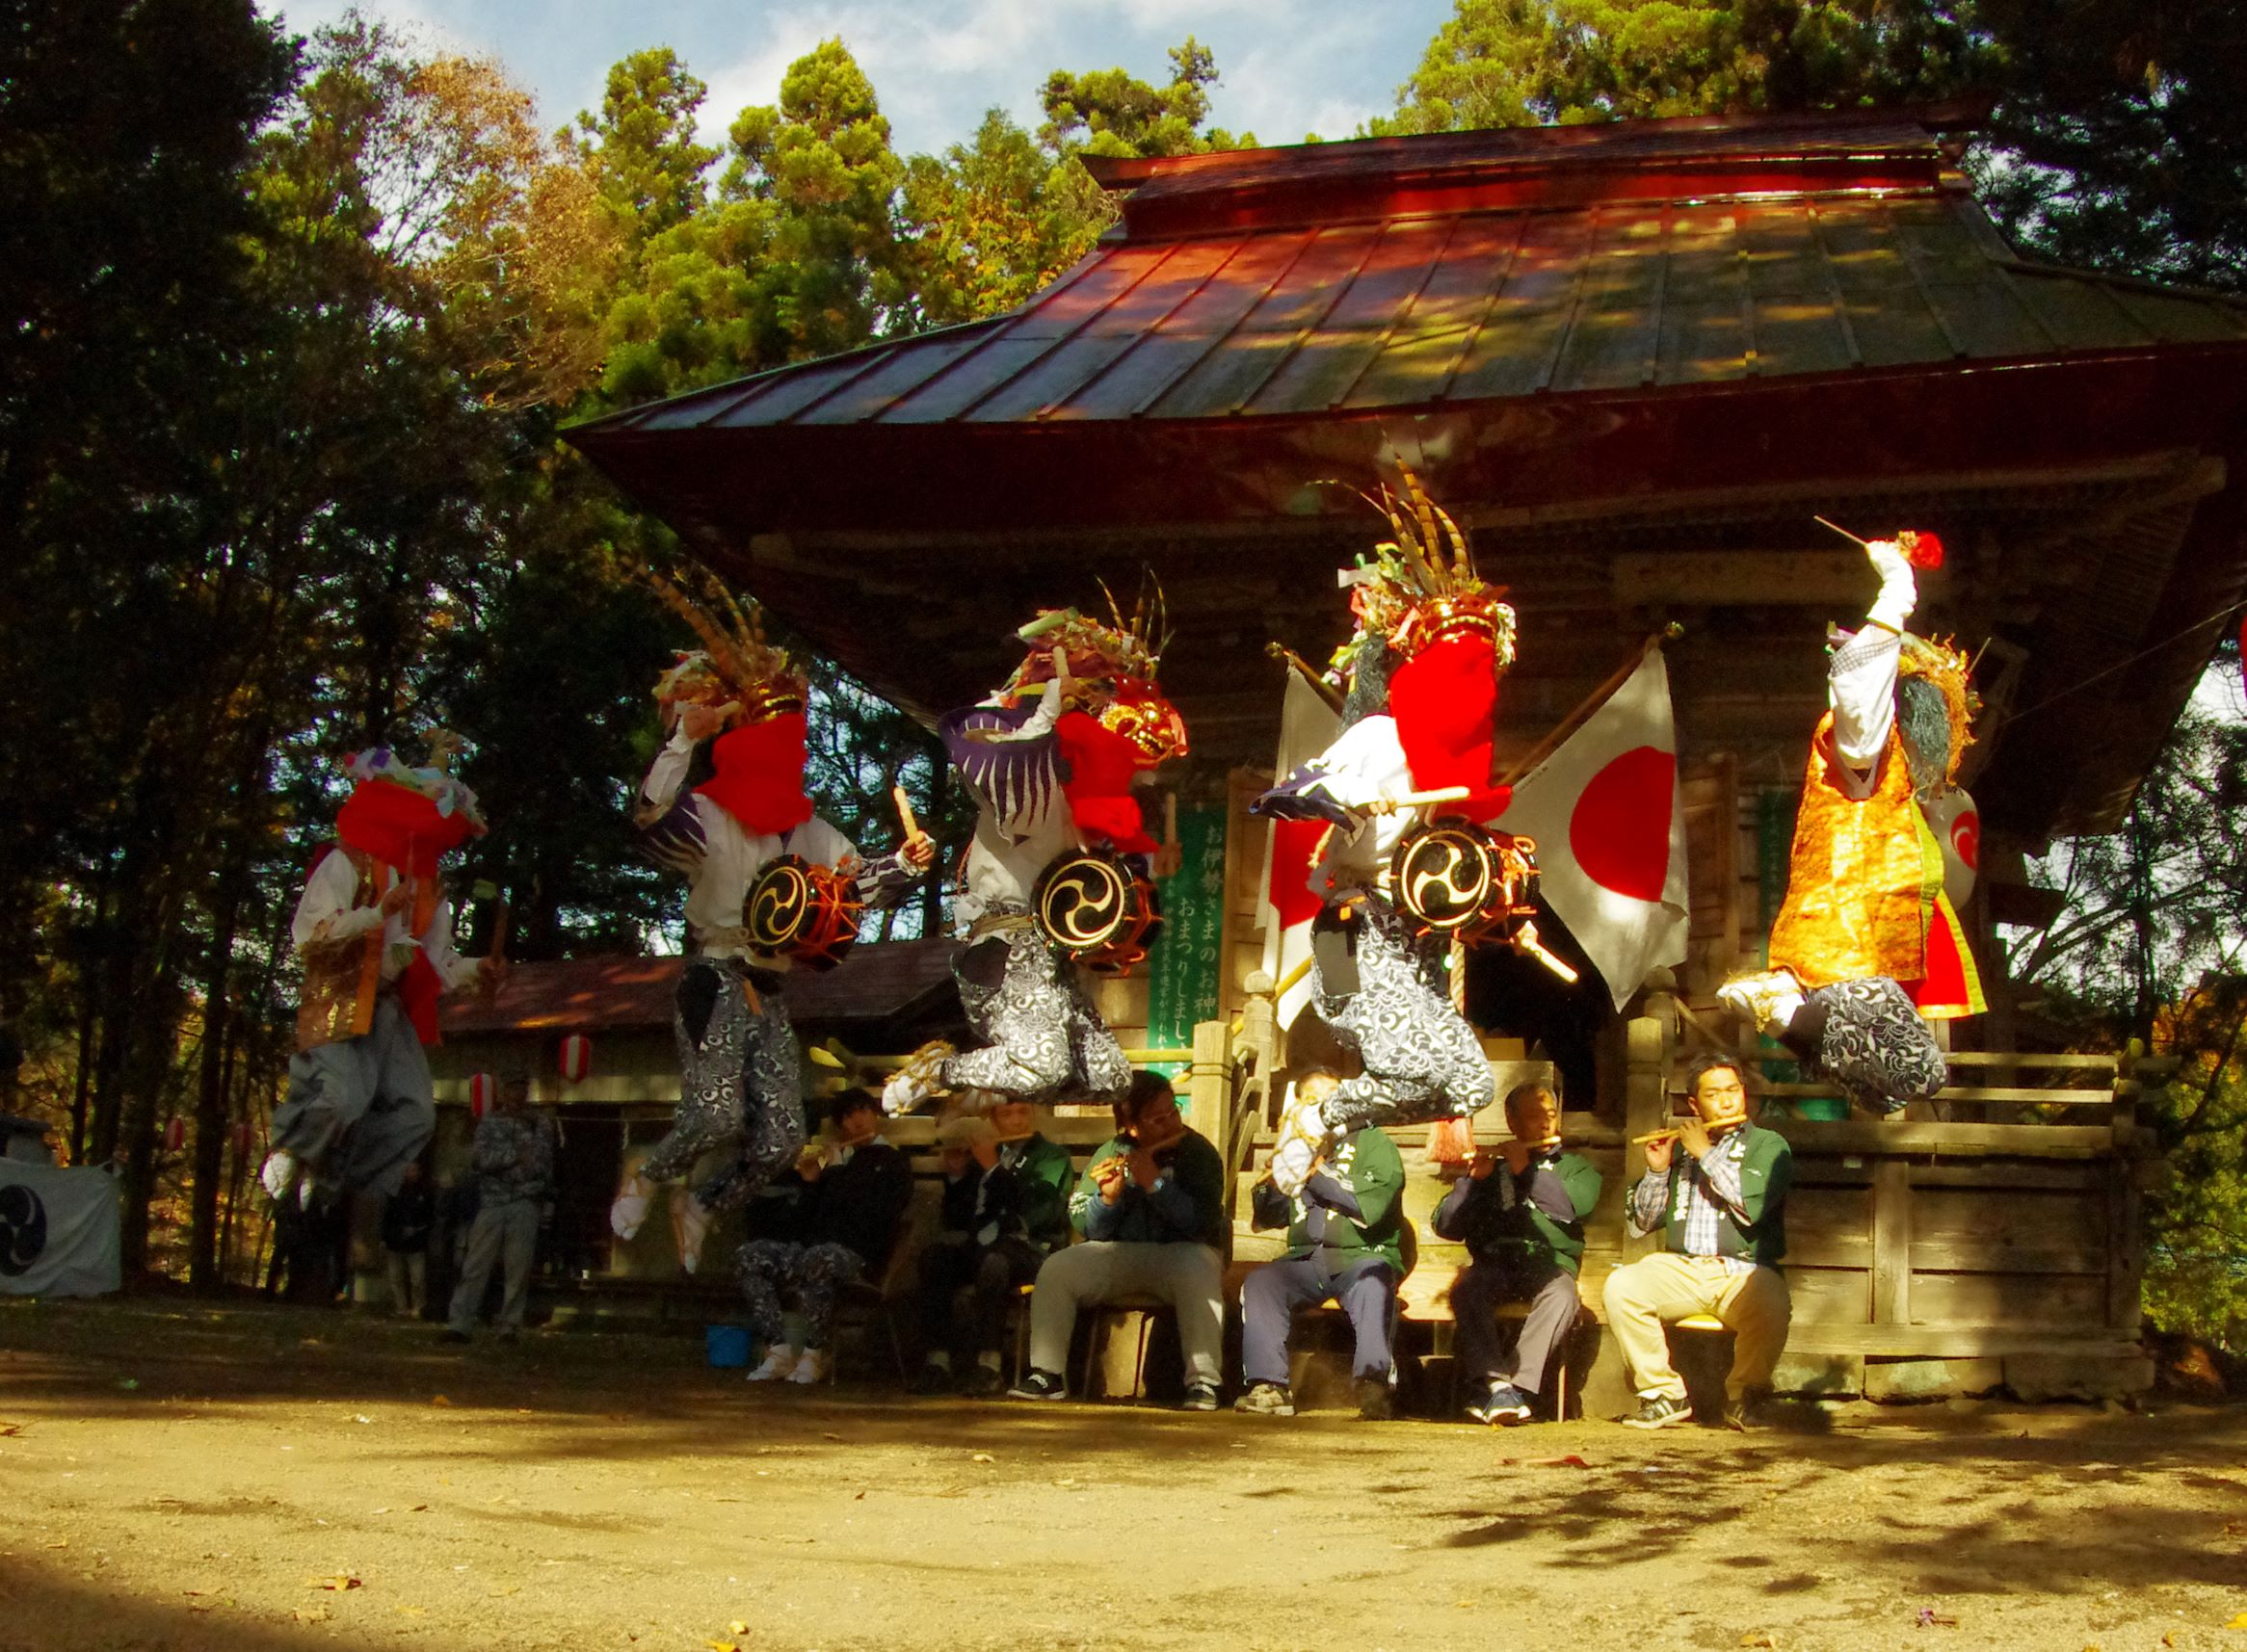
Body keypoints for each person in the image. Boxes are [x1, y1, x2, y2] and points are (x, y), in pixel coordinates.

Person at [613, 573, 932, 1273]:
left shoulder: (809, 830)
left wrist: (904, 864)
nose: (791, 753)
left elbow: (855, 886)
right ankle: (648, 1171)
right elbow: (649, 820)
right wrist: (681, 741)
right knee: (717, 1113)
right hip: (714, 975)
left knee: (785, 1135)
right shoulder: (707, 814)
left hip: (772, 989)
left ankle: (703, 1201)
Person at [1253, 470, 1550, 1196]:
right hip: (1348, 937)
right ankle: (1319, 1113)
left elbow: (1462, 874)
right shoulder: (1380, 737)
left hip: (1402, 943)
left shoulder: (1445, 780)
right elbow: (1297, 797)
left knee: (1469, 1083)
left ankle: (1327, 1115)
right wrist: (1351, 801)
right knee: (1416, 1070)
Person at [883, 598, 1185, 1117]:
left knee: (1110, 1079)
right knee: (1043, 1067)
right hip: (1005, 952)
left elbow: (1095, 880)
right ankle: (939, 1070)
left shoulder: (1076, 814)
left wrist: (1157, 865)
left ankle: (1006, 1072)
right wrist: (1047, 708)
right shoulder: (1017, 789)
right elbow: (1000, 759)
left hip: (1051, 960)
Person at [1718, 530, 1978, 1113]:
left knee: (1886, 1096)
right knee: (1920, 1074)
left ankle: (1785, 1010)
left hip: (1855, 948)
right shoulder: (1861, 748)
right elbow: (1861, 684)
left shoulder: (1892, 774)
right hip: (1848, 942)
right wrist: (1897, 590)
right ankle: (1783, 1009)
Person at [264, 739, 505, 1210]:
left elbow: (436, 960)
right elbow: (311, 932)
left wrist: (479, 968)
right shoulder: (348, 861)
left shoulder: (430, 888)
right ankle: (294, 1148)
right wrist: (376, 915)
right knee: (344, 1096)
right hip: (342, 991)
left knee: (416, 1114)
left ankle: (335, 1176)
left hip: (389, 1006)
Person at [1010, 1071, 1226, 1409]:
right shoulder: (1110, 1152)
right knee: (1058, 1267)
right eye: (1158, 1119)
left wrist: (1156, 1185)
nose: (1171, 1123)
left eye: (1173, 1111)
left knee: (1197, 1266)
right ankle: (1047, 1373)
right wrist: (1107, 1200)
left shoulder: (1198, 1153)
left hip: (1180, 1254)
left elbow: (1201, 1223)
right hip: (1119, 1253)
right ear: (1131, 1126)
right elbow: (1087, 1226)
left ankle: (1204, 1381)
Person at [1602, 1054, 1792, 1429]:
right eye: (1713, 1094)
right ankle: (1663, 1394)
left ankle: (1745, 1397)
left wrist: (1705, 1153)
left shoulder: (1768, 1145)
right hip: (1683, 1267)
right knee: (1622, 1286)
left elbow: (1751, 1206)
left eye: (1732, 1091)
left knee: (1772, 1299)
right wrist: (1658, 1171)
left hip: (1742, 1270)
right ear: (1694, 1104)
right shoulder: (1682, 1150)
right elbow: (1642, 1223)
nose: (1726, 1102)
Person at [1234, 1070, 1406, 1420]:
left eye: (1333, 1096)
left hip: (1361, 1255)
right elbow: (1271, 1216)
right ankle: (1269, 1386)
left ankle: (1373, 1386)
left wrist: (1316, 1173)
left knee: (1373, 1284)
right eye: (1313, 1099)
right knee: (1262, 1283)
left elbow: (1370, 1203)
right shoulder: (1296, 1146)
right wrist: (1273, 1182)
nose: (1326, 1105)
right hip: (1306, 1259)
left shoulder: (1373, 1141)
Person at [1434, 1080, 1602, 1425]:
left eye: (1551, 1115)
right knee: (1467, 1290)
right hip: (1495, 1263)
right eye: (1533, 1116)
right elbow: (1447, 1226)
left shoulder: (1575, 1167)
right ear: (1512, 1122)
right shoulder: (1492, 1169)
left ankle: (1514, 1387)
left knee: (1562, 1296)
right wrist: (1471, 1182)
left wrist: (1526, 1170)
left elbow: (1572, 1208)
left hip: (1550, 1264)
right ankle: (1498, 1384)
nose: (1545, 1123)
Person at [739, 1088, 913, 1384]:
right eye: (847, 1116)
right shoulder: (837, 1163)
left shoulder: (893, 1162)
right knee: (750, 1255)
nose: (857, 1121)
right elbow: (808, 1221)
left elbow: (872, 1215)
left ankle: (814, 1353)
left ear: (875, 1114)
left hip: (859, 1257)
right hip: (814, 1250)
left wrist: (836, 1173)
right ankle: (778, 1350)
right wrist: (810, 1184)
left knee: (820, 1258)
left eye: (863, 1111)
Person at [911, 1097, 1074, 1396]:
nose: (1016, 1121)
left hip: (1030, 1248)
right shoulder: (986, 1153)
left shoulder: (1051, 1156)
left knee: (994, 1263)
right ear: (993, 1120)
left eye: (1023, 1111)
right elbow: (958, 1219)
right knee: (935, 1259)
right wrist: (957, 1176)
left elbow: (1037, 1215)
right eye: (1006, 1114)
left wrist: (995, 1170)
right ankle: (938, 1361)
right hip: (983, 1245)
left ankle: (989, 1364)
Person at [444, 1073, 557, 1343]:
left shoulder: (540, 1124)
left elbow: (542, 1163)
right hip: (492, 1201)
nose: (517, 1094)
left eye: (522, 1088)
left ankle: (509, 1326)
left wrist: (510, 1167)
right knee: (475, 1265)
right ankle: (460, 1324)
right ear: (503, 1092)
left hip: (525, 1201)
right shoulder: (490, 1122)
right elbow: (480, 1160)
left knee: (518, 1268)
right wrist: (514, 1158)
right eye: (512, 1089)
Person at [382, 1158, 436, 1318]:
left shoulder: (425, 1193)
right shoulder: (395, 1192)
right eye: (409, 1170)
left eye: (415, 1170)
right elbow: (388, 1217)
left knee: (417, 1278)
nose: (412, 1173)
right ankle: (401, 1307)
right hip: (395, 1241)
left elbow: (430, 1217)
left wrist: (418, 1230)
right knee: (396, 1277)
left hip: (416, 1242)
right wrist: (389, 1235)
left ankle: (418, 1307)